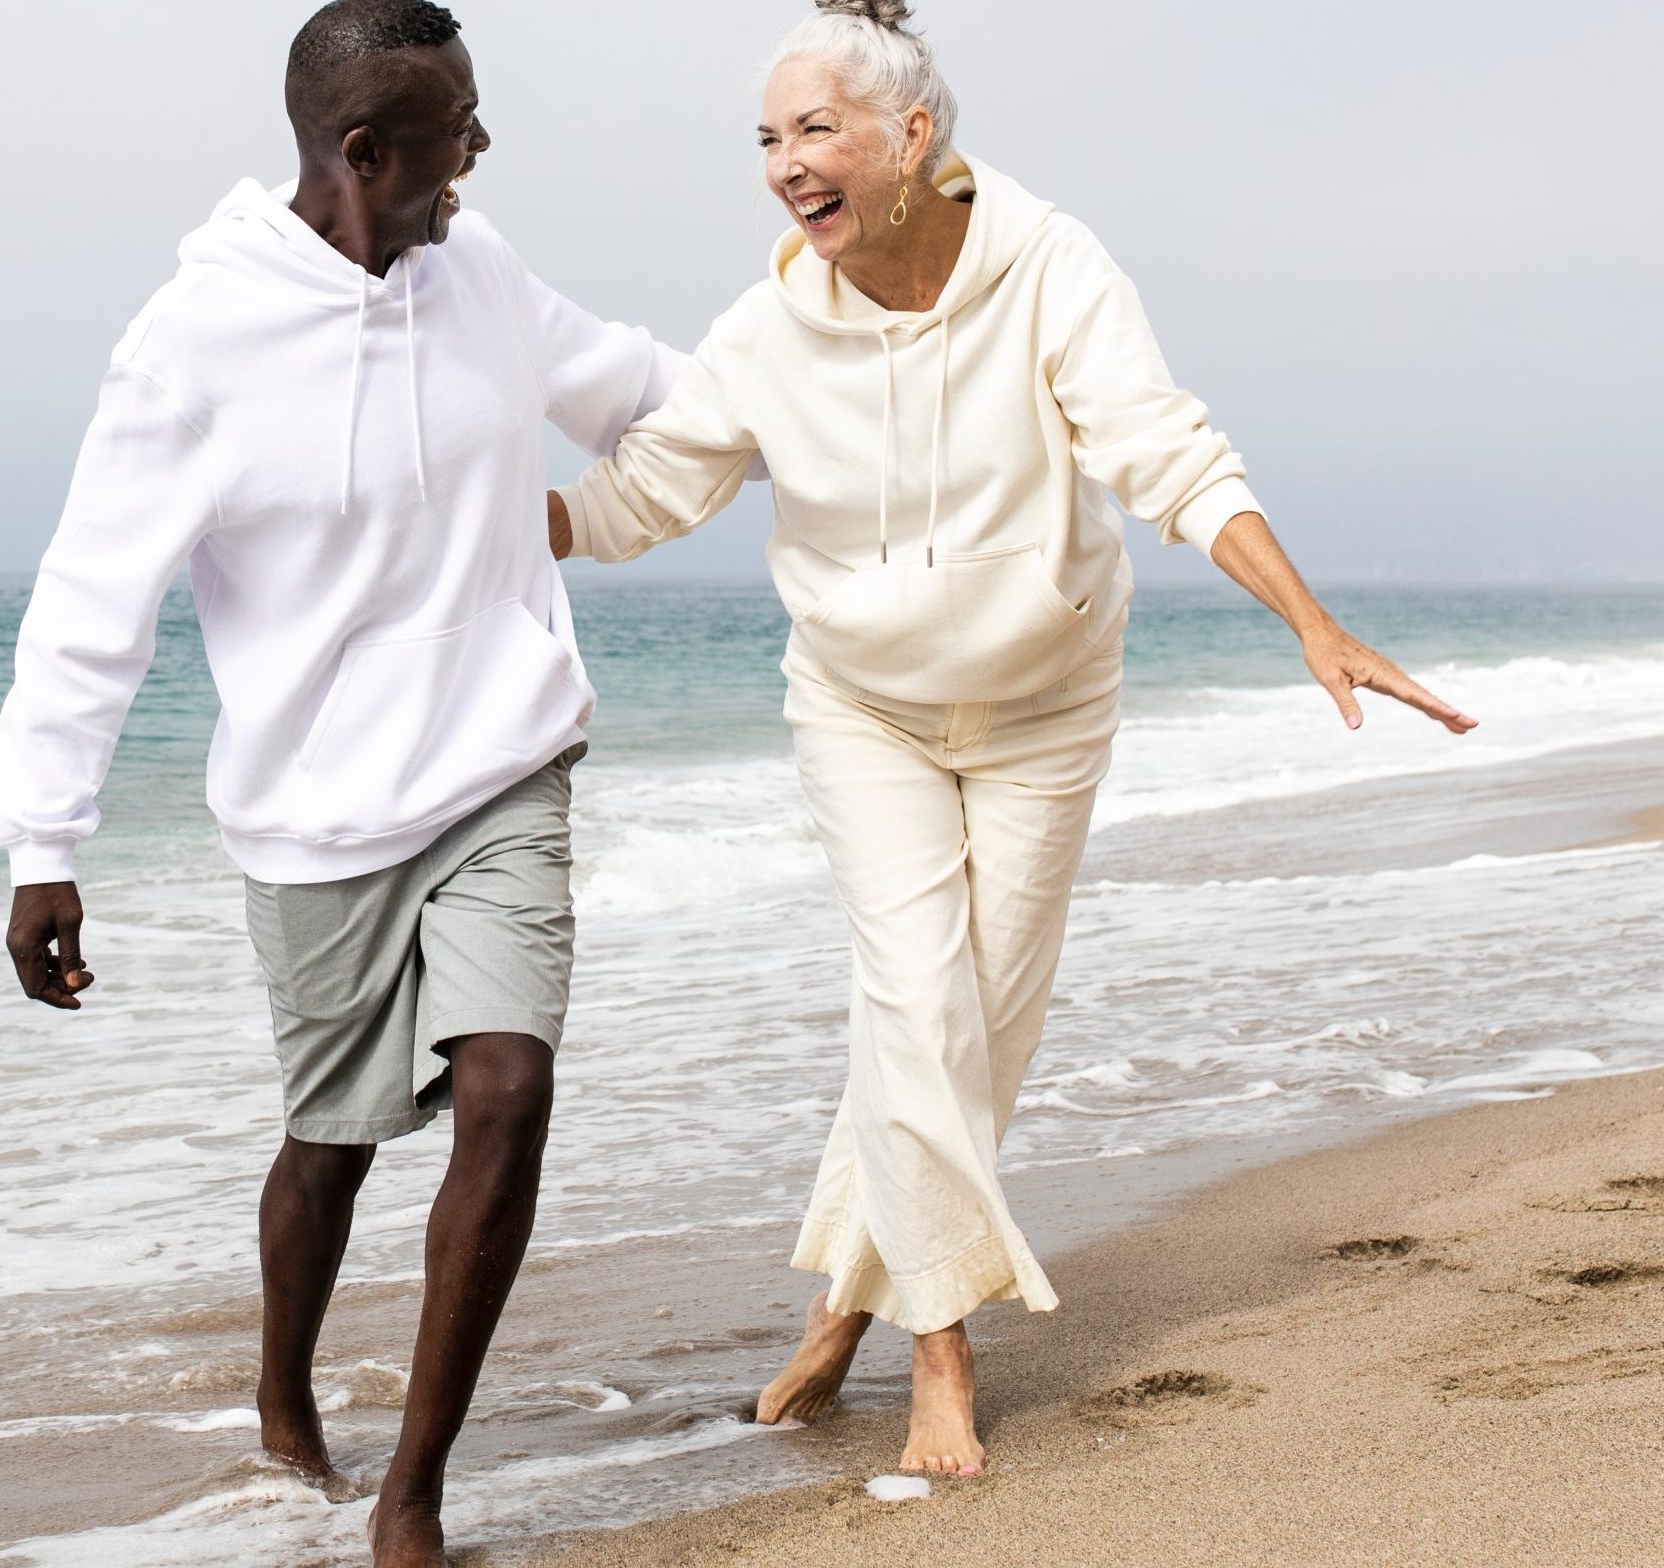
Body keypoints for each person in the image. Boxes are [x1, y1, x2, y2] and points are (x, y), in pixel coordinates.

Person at [547, 0, 1475, 1479]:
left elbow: (1162, 448)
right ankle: (939, 1358)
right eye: (770, 140)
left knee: (976, 1031)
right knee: (916, 1002)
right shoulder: (766, 325)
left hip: (1043, 707)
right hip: (863, 705)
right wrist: (474, 519)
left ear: (911, 138)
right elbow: (641, 494)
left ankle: (845, 1300)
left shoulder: (1050, 268)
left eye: (816, 131)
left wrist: (1306, 617)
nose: (787, 165)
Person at [0, 3, 684, 1560]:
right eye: (456, 131)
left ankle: (411, 1494)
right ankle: (285, 1392)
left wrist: (848, 395)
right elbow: (94, 598)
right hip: (315, 810)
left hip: (503, 758)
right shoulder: (195, 342)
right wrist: (43, 837)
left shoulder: (480, 270)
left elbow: (642, 383)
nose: (481, 154)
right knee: (334, 1140)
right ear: (364, 154)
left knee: (508, 1086)